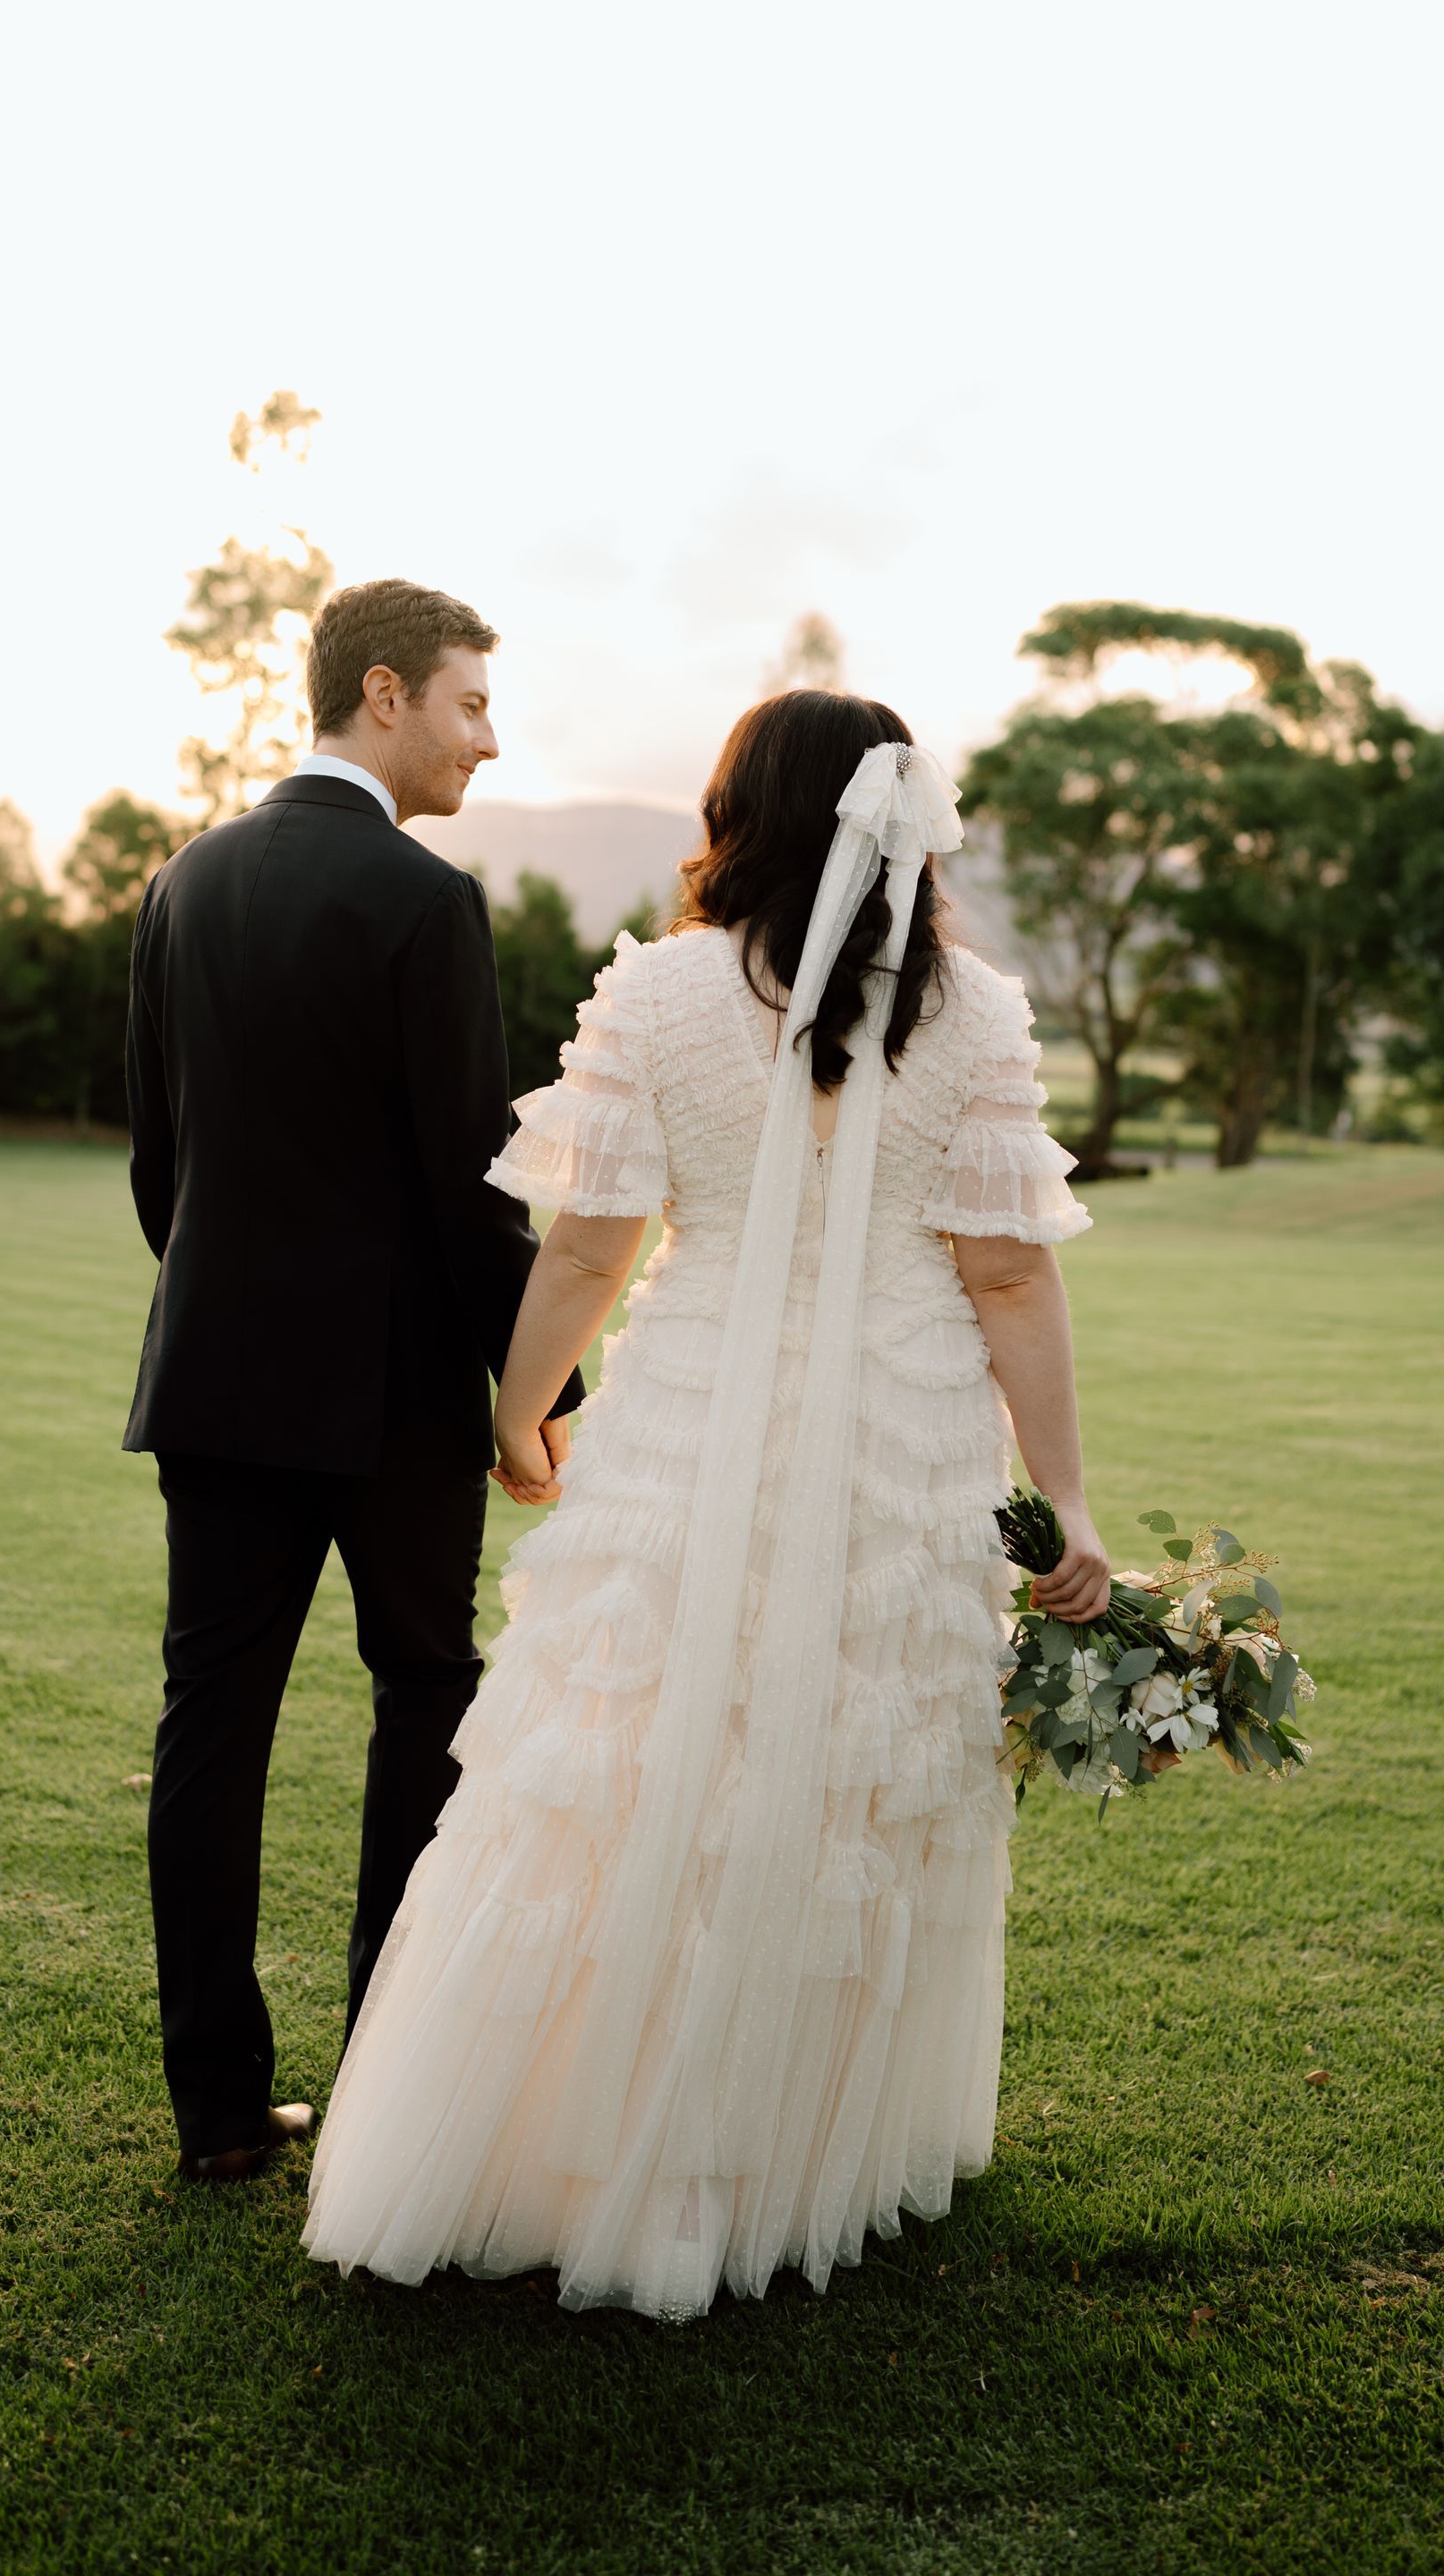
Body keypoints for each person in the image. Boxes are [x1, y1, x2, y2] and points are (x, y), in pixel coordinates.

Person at [303, 688, 1109, 2318]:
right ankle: (803, 2141)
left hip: (680, 1416)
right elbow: (1010, 1274)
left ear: (740, 810)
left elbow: (594, 1243)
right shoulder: (973, 1017)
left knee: (633, 1750)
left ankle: (566, 2132)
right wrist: (1068, 1502)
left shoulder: (662, 994)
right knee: (843, 1771)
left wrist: (520, 1407)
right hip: (905, 1426)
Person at [123, 579, 585, 2183]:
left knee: (212, 1730)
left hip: (217, 1387)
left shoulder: (181, 883)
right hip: (388, 1403)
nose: (488, 736)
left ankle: (216, 2116)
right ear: (381, 696)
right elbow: (475, 1188)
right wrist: (546, 1391)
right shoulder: (422, 901)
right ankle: (383, 2093)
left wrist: (235, 1309)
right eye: (469, 703)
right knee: (424, 1702)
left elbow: (158, 1176)